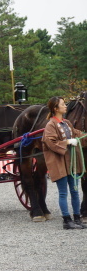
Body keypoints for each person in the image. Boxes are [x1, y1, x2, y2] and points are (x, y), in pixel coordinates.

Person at [42, 96, 87, 229]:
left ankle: (77, 218)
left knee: (74, 191)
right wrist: (67, 142)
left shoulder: (67, 122)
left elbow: (77, 133)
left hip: (71, 163)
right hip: (59, 163)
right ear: (55, 108)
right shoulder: (51, 125)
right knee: (63, 193)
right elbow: (50, 142)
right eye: (63, 104)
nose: (66, 106)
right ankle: (66, 221)